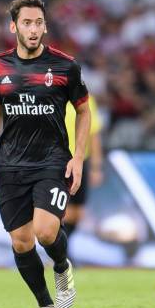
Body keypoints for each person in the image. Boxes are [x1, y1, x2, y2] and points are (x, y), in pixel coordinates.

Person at [0, 0, 91, 308]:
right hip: (11, 165)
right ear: (13, 26)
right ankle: (45, 304)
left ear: (45, 26)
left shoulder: (65, 66)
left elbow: (83, 110)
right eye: (26, 23)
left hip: (52, 161)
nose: (33, 29)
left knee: (46, 232)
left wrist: (78, 158)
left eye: (38, 23)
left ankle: (62, 267)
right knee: (21, 242)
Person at [63, 94, 103, 238]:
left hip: (80, 161)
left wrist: (96, 167)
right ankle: (59, 255)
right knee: (58, 208)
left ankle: (62, 250)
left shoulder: (86, 99)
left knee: (78, 212)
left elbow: (94, 134)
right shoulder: (51, 96)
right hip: (57, 161)